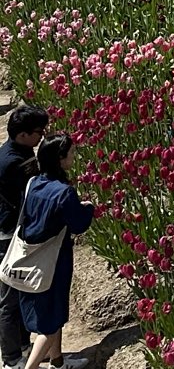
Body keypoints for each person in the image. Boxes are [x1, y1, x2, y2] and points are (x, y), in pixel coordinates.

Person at [11, 134, 93, 369]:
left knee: (52, 314)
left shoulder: (33, 183)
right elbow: (78, 224)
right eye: (71, 153)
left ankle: (58, 362)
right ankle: (32, 367)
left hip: (31, 258)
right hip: (54, 261)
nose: (74, 157)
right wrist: (88, 208)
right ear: (60, 158)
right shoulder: (63, 192)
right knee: (48, 325)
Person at [0, 107, 49, 369]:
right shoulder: (10, 162)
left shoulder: (22, 151)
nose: (42, 137)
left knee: (19, 296)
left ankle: (22, 346)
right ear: (22, 134)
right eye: (39, 133)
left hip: (15, 230)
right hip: (7, 234)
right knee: (8, 299)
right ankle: (11, 359)